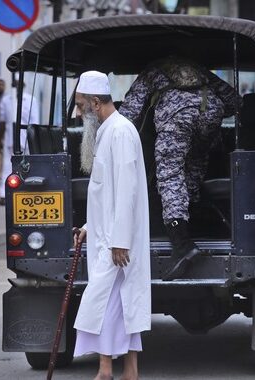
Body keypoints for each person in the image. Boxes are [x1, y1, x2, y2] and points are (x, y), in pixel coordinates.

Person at [119, 58, 237, 280]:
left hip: (177, 114)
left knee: (170, 174)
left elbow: (129, 112)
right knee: (192, 166)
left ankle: (182, 245)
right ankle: (194, 222)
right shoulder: (198, 67)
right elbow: (234, 100)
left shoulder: (152, 69)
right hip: (211, 110)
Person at [72, 71, 150, 380]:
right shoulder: (107, 131)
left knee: (111, 303)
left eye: (80, 106)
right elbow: (107, 194)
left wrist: (119, 240)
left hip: (119, 243)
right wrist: (90, 227)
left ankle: (108, 370)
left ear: (94, 102)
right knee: (118, 304)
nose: (79, 113)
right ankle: (124, 370)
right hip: (107, 237)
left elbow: (127, 189)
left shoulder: (120, 131)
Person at [0, 80, 40, 206]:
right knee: (7, 167)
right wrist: (0, 140)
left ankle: (26, 192)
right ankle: (4, 194)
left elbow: (35, 122)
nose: (17, 88)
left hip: (26, 139)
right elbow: (2, 122)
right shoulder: (7, 100)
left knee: (26, 166)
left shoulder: (30, 100)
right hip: (10, 138)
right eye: (15, 85)